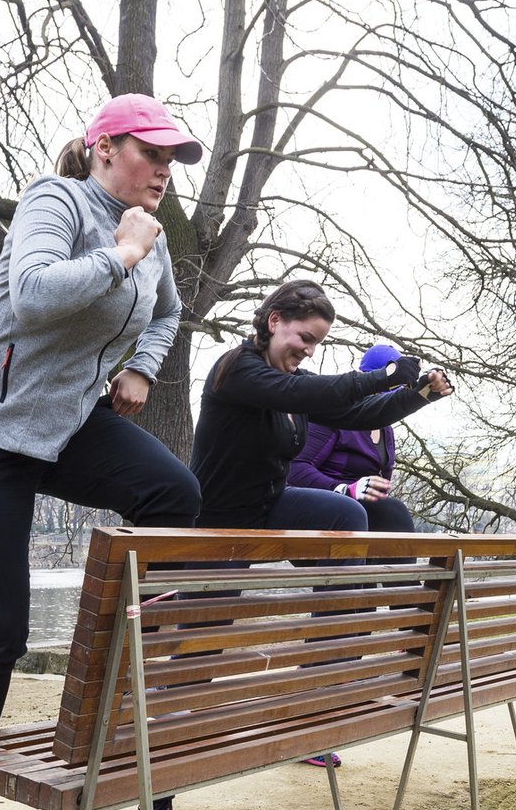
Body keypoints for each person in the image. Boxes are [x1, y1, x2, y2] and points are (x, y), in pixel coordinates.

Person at [0, 93, 204, 810]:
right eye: (151, 154)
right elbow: (38, 293)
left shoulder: (150, 237)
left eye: (172, 161)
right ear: (103, 148)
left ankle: (123, 662)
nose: (163, 172)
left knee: (172, 492)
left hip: (66, 426)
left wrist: (144, 365)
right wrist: (120, 253)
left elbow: (169, 312)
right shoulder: (58, 202)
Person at [185, 279, 452, 773]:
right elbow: (322, 390)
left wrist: (416, 395)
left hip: (269, 508)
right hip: (219, 524)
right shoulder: (237, 370)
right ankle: (159, 783)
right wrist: (384, 373)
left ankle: (329, 671)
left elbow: (358, 411)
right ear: (274, 322)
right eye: (304, 338)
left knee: (347, 514)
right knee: (198, 651)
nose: (308, 351)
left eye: (316, 344)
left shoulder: (291, 385)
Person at [288, 341, 417, 537]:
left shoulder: (386, 429)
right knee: (390, 512)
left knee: (394, 515)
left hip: (360, 515)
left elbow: (380, 486)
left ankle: (394, 569)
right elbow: (296, 468)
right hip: (324, 508)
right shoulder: (335, 413)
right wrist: (344, 489)